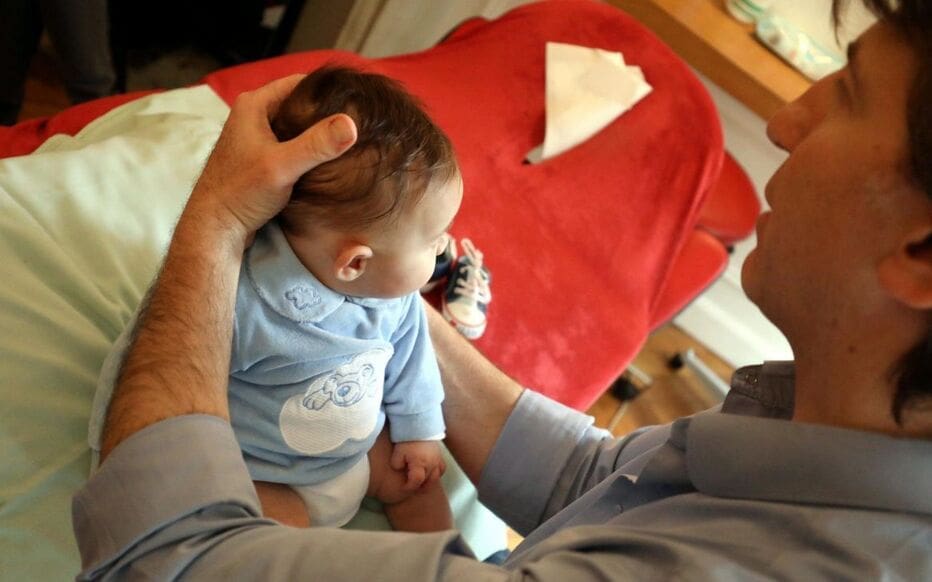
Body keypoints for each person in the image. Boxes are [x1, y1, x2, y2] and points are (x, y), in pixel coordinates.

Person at [74, 0, 932, 578]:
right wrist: (376, 281)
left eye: (848, 97)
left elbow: (166, 560)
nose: (785, 122)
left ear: (923, 251)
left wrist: (218, 217)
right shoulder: (802, 441)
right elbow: (603, 480)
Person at [89, 65, 462, 531]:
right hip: (267, 476)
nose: (446, 246)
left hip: (356, 451)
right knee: (266, 535)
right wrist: (115, 450)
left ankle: (449, 557)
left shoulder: (393, 294)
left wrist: (419, 432)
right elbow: (152, 363)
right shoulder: (242, 300)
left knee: (418, 482)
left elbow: (412, 363)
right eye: (432, 240)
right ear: (354, 263)